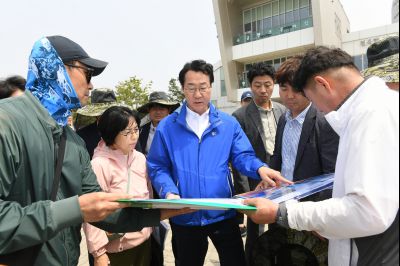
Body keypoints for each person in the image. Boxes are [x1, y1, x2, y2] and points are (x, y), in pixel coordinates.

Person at [0, 35, 188, 265]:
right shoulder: (6, 122)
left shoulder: (73, 141)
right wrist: (73, 209)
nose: (91, 85)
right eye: (87, 73)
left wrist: (163, 212)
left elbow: (102, 207)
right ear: (56, 68)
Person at [244, 46, 399, 265]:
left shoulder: (372, 114)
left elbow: (368, 211)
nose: (316, 107)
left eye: (310, 97)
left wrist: (283, 213)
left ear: (323, 84)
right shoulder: (367, 110)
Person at [147, 59, 290, 266]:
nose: (198, 94)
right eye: (191, 88)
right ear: (183, 89)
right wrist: (169, 192)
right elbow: (157, 165)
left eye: (203, 88)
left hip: (222, 212)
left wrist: (260, 168)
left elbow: (243, 156)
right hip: (184, 213)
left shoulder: (227, 123)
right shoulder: (168, 127)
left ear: (211, 87)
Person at [251, 55, 339, 265]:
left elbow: (332, 176)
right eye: (283, 88)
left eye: (296, 89)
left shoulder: (325, 120)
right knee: (283, 257)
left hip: (310, 215)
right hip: (281, 208)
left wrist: (320, 221)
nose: (289, 96)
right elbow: (279, 160)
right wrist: (266, 182)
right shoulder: (284, 118)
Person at [83, 106, 153, 266]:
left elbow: (148, 193)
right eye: (127, 132)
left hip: (143, 241)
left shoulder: (140, 158)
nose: (134, 136)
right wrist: (98, 253)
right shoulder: (99, 165)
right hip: (116, 249)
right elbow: (92, 214)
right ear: (111, 133)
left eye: (136, 130)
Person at [232, 62, 286, 263]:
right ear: (250, 85)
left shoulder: (283, 110)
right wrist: (244, 190)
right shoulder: (240, 116)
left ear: (274, 85)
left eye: (267, 84)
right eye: (257, 85)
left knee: (280, 224)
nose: (263, 90)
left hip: (279, 177)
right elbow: (236, 158)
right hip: (255, 180)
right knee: (255, 230)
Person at [76, 88, 132, 159]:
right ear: (96, 114)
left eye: (111, 111)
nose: (108, 115)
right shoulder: (81, 136)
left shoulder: (129, 132)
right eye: (103, 112)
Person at [138, 91, 180, 155]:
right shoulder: (141, 131)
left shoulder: (177, 130)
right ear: (149, 111)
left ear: (168, 111)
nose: (158, 112)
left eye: (161, 109)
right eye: (154, 109)